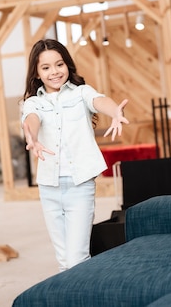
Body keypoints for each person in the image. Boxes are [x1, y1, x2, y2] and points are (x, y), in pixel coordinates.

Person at [21, 39, 129, 272]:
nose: (54, 72)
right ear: (37, 73)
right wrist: (33, 136)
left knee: (77, 258)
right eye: (46, 67)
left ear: (67, 65)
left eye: (59, 64)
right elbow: (32, 119)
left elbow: (99, 101)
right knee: (63, 261)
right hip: (49, 188)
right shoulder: (33, 102)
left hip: (80, 186)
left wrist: (115, 112)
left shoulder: (81, 93)